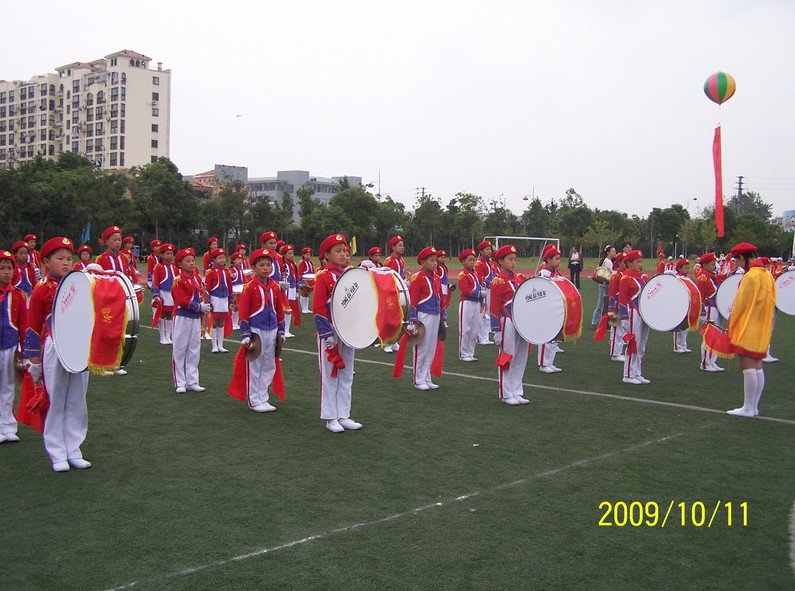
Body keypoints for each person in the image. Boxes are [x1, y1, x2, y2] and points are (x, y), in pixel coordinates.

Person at [24, 237, 92, 471]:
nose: (66, 263)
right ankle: (57, 452)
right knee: (56, 400)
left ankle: (74, 448)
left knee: (77, 399)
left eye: (69, 258)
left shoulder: (80, 283)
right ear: (46, 261)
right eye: (60, 259)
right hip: (55, 347)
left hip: (80, 346)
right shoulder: (42, 289)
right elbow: (32, 326)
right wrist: (34, 361)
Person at [715, 243, 776, 417]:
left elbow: (740, 304)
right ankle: (753, 406)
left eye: (737, 260)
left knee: (748, 367)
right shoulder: (767, 275)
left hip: (748, 326)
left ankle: (748, 408)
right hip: (761, 326)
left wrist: (731, 324)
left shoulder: (751, 276)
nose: (737, 264)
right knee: (757, 367)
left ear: (742, 258)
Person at [312, 233, 362, 433]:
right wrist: (326, 335)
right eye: (338, 251)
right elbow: (318, 309)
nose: (344, 255)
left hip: (348, 331)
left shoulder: (351, 275)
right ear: (327, 255)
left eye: (346, 251)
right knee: (329, 375)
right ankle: (330, 417)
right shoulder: (324, 276)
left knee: (347, 373)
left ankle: (344, 414)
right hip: (330, 332)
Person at [236, 247, 286, 413]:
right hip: (256, 330)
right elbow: (243, 311)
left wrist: (282, 330)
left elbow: (279, 310)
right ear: (254, 268)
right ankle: (253, 399)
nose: (265, 268)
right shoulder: (249, 287)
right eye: (261, 265)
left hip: (272, 330)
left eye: (268, 265)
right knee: (255, 365)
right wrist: (245, 332)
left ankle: (263, 397)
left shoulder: (275, 287)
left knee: (269, 365)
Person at [490, 244, 530, 405]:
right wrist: (497, 331)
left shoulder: (519, 278)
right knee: (508, 356)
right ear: (500, 261)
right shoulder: (498, 281)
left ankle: (517, 390)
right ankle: (506, 393)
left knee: (521, 356)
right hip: (507, 321)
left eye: (515, 259)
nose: (513, 262)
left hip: (522, 322)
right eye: (510, 259)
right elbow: (493, 308)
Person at [171, 247, 211, 393]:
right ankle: (180, 382)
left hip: (194, 318)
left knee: (194, 349)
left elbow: (199, 294)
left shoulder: (197, 278)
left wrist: (202, 305)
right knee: (180, 349)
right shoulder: (178, 280)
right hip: (182, 317)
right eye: (187, 261)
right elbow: (182, 300)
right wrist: (199, 307)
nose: (192, 263)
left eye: (193, 260)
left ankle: (193, 380)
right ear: (180, 264)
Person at [96, 226, 133, 375]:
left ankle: (116, 363)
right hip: (107, 300)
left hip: (121, 297)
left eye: (119, 240)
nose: (118, 243)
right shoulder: (101, 259)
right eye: (114, 239)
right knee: (106, 330)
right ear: (106, 242)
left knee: (120, 329)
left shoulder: (124, 258)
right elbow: (99, 279)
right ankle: (103, 363)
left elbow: (126, 275)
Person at [408, 247, 445, 391]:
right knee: (421, 347)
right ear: (422, 262)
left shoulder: (436, 277)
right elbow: (413, 300)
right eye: (431, 260)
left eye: (436, 260)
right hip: (423, 315)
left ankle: (427, 376)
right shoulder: (418, 278)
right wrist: (413, 319)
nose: (435, 263)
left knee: (431, 348)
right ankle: (418, 379)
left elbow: (439, 297)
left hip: (435, 315)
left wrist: (442, 315)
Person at [0, 250, 26, 444]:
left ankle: (8, 426)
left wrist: (24, 351)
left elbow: (24, 324)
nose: (6, 272)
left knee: (8, 387)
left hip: (10, 345)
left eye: (9, 268)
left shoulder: (17, 295)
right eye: (2, 268)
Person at [617, 250, 650, 385]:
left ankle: (637, 372)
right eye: (637, 262)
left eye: (641, 261)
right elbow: (622, 299)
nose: (640, 264)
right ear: (629, 263)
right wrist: (624, 318)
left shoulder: (640, 278)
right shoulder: (625, 278)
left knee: (641, 345)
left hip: (642, 314)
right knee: (633, 344)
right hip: (632, 314)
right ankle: (628, 374)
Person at [695, 252, 726, 372]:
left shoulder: (711, 275)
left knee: (716, 337)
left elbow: (720, 278)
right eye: (712, 264)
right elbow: (700, 296)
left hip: (716, 308)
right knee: (709, 337)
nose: (715, 266)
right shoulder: (703, 277)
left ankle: (712, 361)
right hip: (709, 309)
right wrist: (701, 311)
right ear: (705, 265)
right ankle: (705, 363)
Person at [536, 245, 564, 373]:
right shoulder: (544, 273)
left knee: (554, 337)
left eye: (559, 259)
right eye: (556, 259)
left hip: (555, 309)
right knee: (545, 337)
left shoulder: (555, 273)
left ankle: (550, 362)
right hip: (545, 309)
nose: (559, 261)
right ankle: (543, 363)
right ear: (548, 260)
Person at [204, 247, 234, 353]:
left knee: (222, 323)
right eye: (219, 258)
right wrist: (208, 301)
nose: (222, 260)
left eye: (223, 258)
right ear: (214, 260)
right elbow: (207, 288)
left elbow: (230, 287)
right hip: (215, 299)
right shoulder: (210, 272)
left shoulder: (227, 271)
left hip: (224, 299)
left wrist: (231, 300)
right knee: (215, 322)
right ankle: (214, 346)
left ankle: (220, 345)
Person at [382, 235, 409, 352]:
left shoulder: (401, 261)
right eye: (399, 245)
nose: (402, 248)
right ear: (393, 247)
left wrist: (405, 280)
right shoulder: (389, 260)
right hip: (390, 292)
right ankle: (386, 343)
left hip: (399, 292)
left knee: (399, 317)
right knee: (389, 318)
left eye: (402, 245)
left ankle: (395, 341)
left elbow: (400, 275)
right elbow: (386, 277)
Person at [456, 249, 481, 362]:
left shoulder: (474, 273)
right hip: (467, 302)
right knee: (465, 329)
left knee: (474, 329)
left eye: (473, 260)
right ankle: (463, 353)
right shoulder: (463, 275)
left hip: (476, 303)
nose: (472, 262)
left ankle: (470, 353)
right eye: (469, 260)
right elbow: (465, 290)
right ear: (463, 262)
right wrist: (479, 293)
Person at [152, 243, 177, 345]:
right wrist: (156, 295)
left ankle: (168, 336)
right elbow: (155, 282)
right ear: (162, 255)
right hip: (163, 293)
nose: (170, 256)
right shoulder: (158, 267)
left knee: (170, 314)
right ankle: (162, 336)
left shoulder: (175, 267)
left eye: (171, 253)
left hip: (172, 294)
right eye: (167, 254)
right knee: (162, 314)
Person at [475, 240, 499, 345]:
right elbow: (480, 278)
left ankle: (485, 335)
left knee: (488, 313)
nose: (489, 251)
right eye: (487, 249)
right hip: (483, 290)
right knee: (483, 313)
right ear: (481, 251)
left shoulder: (490, 262)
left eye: (490, 249)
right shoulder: (479, 263)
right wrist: (490, 282)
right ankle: (481, 337)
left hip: (490, 289)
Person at [605, 252, 626, 361]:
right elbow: (612, 292)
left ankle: (618, 351)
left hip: (623, 306)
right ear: (619, 263)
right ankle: (615, 353)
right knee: (616, 330)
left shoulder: (624, 274)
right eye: (625, 261)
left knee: (621, 330)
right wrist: (611, 309)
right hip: (617, 307)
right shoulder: (617, 275)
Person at [590, 245, 616, 329]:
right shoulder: (608, 261)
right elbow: (611, 273)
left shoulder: (604, 260)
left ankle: (597, 322)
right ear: (608, 252)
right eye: (613, 251)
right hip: (605, 285)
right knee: (601, 304)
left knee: (602, 304)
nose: (614, 253)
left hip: (603, 284)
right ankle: (595, 322)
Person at [280, 244, 301, 338]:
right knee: (285, 308)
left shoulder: (293, 264)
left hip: (292, 287)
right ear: (284, 254)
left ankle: (287, 330)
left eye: (292, 253)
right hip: (286, 288)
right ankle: (283, 329)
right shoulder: (283, 264)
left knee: (290, 307)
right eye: (289, 253)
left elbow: (295, 276)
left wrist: (296, 288)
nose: (291, 255)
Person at [672, 258, 693, 353]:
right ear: (679, 269)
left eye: (688, 268)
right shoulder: (677, 278)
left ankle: (683, 345)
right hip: (679, 305)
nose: (687, 270)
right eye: (685, 268)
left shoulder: (687, 278)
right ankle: (677, 346)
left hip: (687, 305)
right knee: (678, 327)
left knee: (685, 327)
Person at [230, 251, 246, 329]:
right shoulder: (232, 270)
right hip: (234, 291)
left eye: (241, 259)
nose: (240, 261)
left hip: (240, 290)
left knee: (237, 308)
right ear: (233, 261)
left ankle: (235, 323)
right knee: (234, 306)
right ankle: (232, 323)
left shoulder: (240, 270)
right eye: (238, 259)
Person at [298, 247, 316, 313]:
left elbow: (312, 271)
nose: (308, 256)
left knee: (307, 294)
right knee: (303, 293)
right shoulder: (302, 263)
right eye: (306, 254)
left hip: (310, 280)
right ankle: (303, 308)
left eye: (309, 254)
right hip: (304, 280)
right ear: (303, 255)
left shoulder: (310, 262)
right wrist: (300, 282)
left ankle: (306, 308)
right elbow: (300, 273)